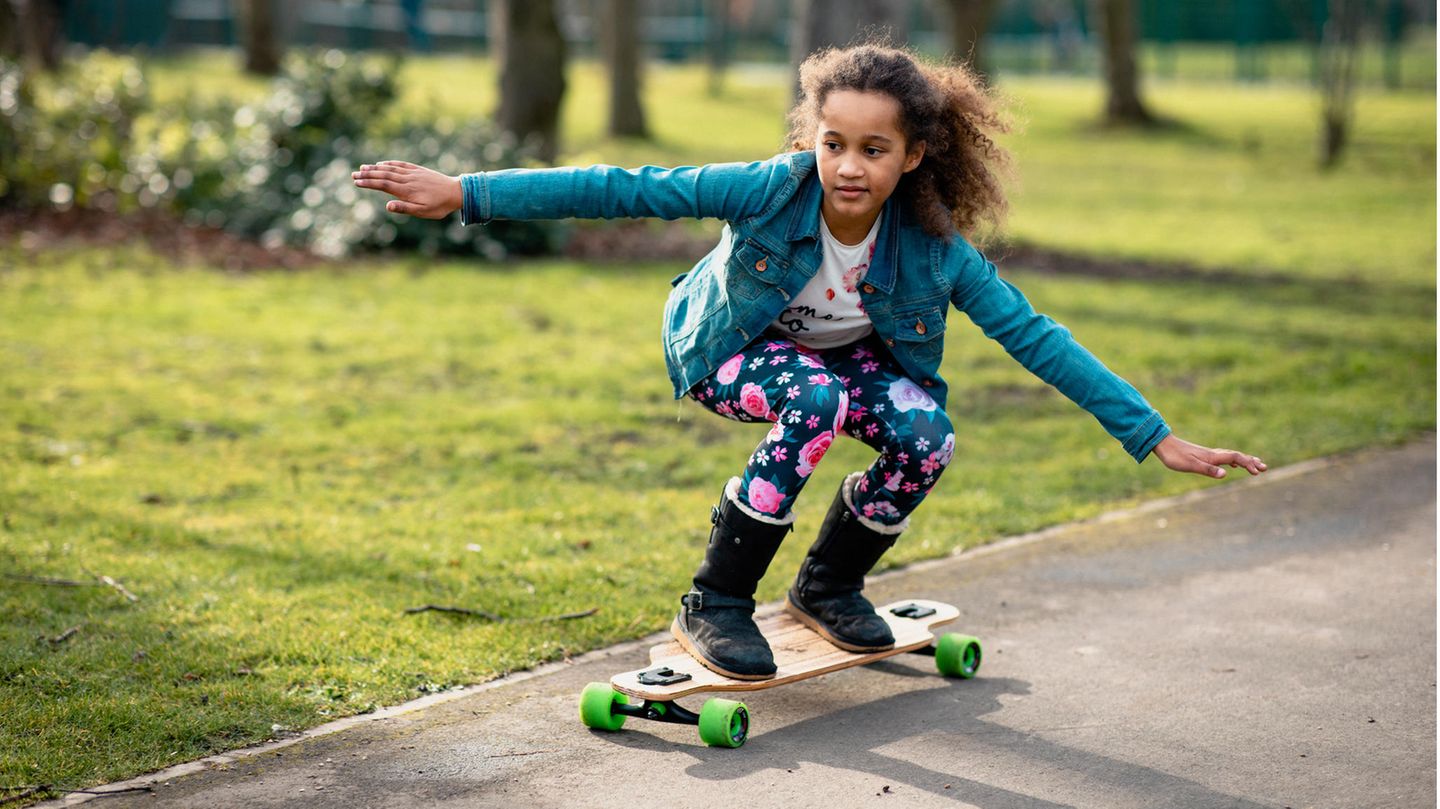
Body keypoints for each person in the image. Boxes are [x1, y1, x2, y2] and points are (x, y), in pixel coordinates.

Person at [351, 44, 1267, 682]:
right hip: (727, 352)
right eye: (834, 144)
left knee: (926, 433)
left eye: (875, 150)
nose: (849, 167)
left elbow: (1037, 336)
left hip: (830, 369)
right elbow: (621, 187)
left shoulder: (936, 250)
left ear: (912, 156)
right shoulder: (770, 189)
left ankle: (829, 586)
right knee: (817, 399)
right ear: (810, 140)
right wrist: (463, 192)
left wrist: (1155, 436)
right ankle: (715, 599)